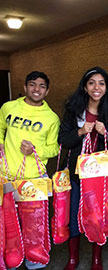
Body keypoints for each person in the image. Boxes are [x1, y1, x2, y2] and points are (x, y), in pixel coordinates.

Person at [58, 67, 108, 270]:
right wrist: (79, 131)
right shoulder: (74, 110)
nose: (97, 87)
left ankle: (97, 257)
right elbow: (63, 140)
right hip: (78, 174)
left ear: (106, 87)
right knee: (74, 214)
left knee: (98, 215)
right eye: (92, 83)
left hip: (102, 175)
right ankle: (73, 257)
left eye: (101, 83)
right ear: (85, 87)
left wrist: (106, 132)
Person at [0, 71, 60, 270]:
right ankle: (11, 261)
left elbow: (53, 148)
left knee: (34, 225)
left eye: (42, 86)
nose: (37, 89)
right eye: (33, 84)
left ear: (47, 90)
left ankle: (34, 262)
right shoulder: (8, 107)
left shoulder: (51, 118)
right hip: (6, 176)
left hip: (34, 179)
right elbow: (0, 128)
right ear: (25, 87)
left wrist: (35, 150)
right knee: (9, 222)